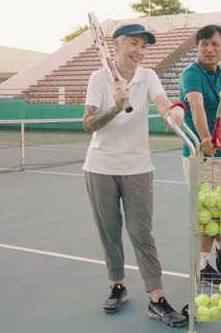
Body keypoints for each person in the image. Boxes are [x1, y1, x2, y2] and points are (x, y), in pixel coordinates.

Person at [82, 22, 187, 328]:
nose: (140, 51)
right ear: (117, 45)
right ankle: (118, 284)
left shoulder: (148, 76)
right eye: (134, 44)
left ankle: (156, 298)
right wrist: (115, 107)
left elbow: (163, 102)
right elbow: (88, 124)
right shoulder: (98, 78)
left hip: (138, 167)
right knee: (110, 232)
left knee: (142, 233)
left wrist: (173, 112)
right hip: (100, 166)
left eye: (144, 46)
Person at [179, 24, 221, 285]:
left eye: (214, 44)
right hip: (201, 153)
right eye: (204, 44)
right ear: (198, 46)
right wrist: (204, 137)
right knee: (208, 210)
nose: (209, 49)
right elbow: (196, 105)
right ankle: (202, 263)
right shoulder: (191, 73)